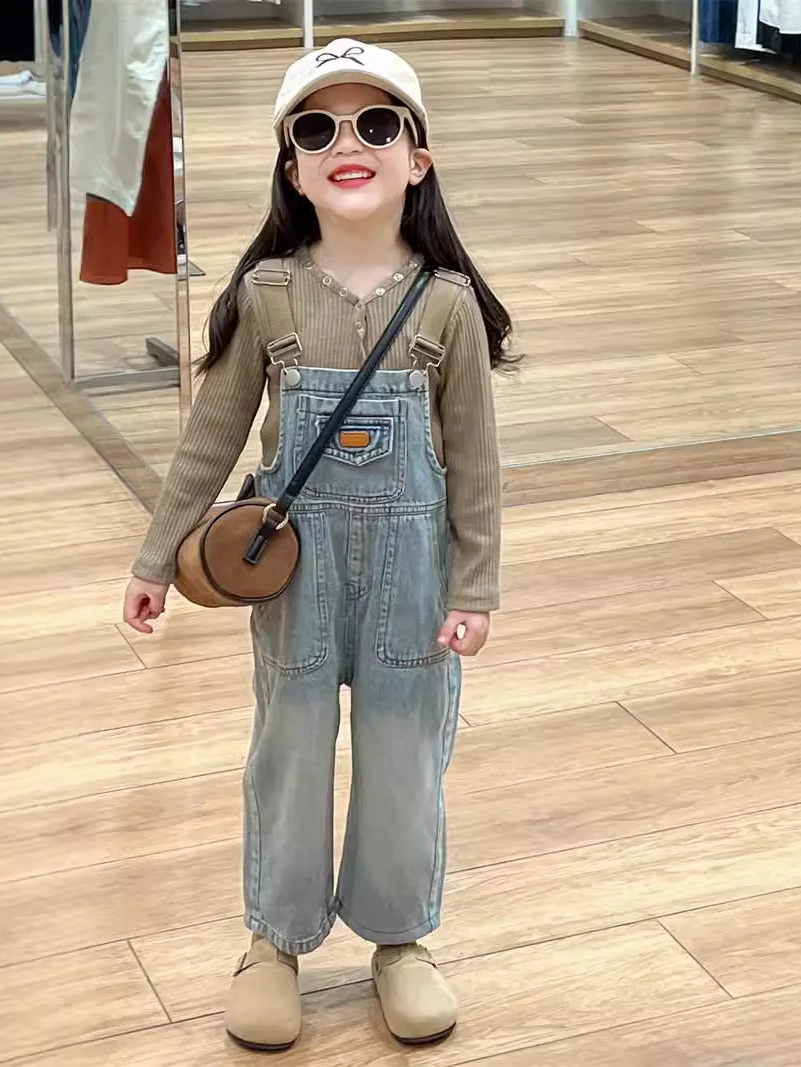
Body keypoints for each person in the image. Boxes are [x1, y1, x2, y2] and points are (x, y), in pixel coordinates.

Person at [121, 39, 512, 1054]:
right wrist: (156, 556)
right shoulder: (267, 296)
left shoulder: (448, 307)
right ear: (292, 169)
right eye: (316, 127)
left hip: (412, 582)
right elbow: (210, 437)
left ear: (417, 159)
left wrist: (474, 585)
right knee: (288, 749)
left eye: (375, 124)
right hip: (295, 579)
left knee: (403, 753)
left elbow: (475, 464)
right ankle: (272, 941)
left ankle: (400, 938)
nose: (348, 143)